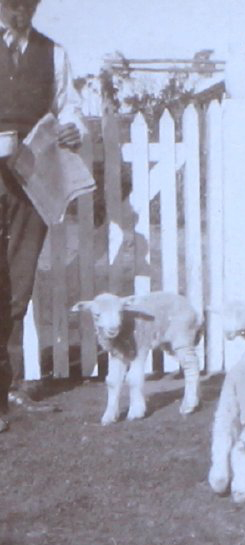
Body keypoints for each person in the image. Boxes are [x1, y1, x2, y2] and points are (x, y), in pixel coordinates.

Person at [0, 0, 85, 432]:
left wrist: (73, 127)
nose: (21, 11)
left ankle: (11, 389)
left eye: (28, 3)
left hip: (31, 178)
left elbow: (70, 106)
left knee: (18, 284)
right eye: (12, 3)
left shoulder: (53, 52)